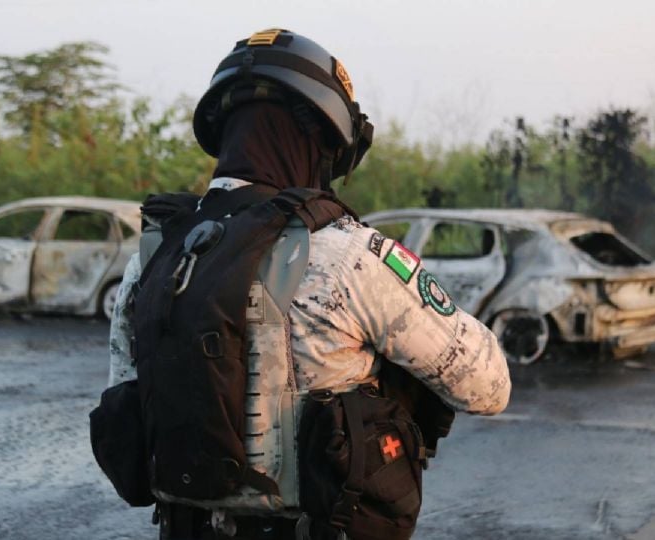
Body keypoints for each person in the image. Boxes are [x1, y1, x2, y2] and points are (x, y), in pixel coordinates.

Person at [106, 28, 510, 539]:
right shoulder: (350, 255)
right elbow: (488, 387)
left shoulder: (153, 256)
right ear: (325, 139)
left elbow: (129, 401)